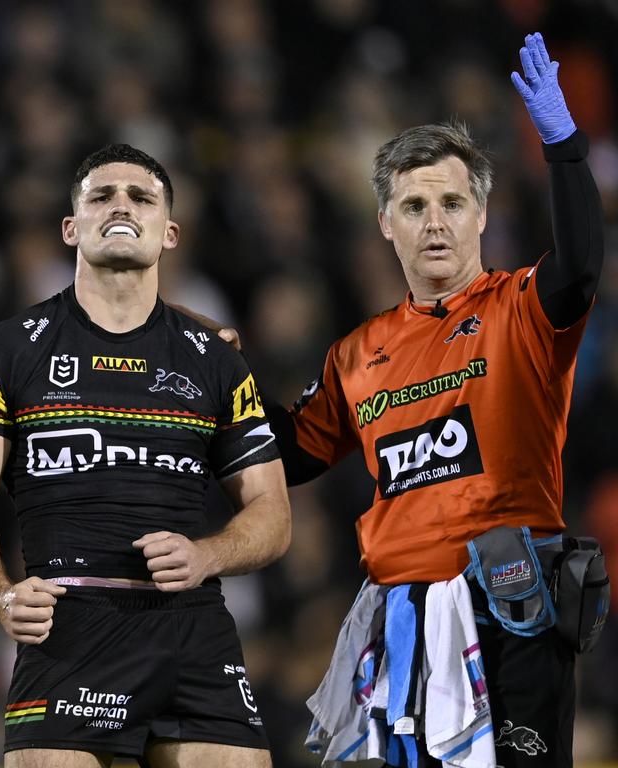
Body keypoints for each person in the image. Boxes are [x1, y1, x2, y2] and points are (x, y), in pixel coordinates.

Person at [262, 34, 603, 768]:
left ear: (482, 215)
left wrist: (564, 148)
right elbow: (291, 454)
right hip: (402, 618)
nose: (436, 221)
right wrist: (217, 380)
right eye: (414, 206)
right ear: (386, 223)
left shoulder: (521, 310)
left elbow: (578, 270)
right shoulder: (357, 352)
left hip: (514, 604)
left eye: (453, 202)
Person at [0, 144, 292, 768]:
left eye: (142, 197)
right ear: (71, 229)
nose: (121, 206)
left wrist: (207, 553)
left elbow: (273, 513)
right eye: (102, 196)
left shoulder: (215, 360)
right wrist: (2, 598)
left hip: (191, 626)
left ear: (170, 233)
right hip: (68, 626)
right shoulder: (4, 352)